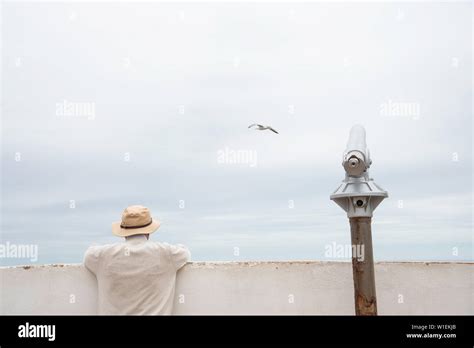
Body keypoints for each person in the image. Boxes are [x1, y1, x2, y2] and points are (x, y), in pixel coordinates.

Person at [84, 205, 190, 315]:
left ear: (123, 232)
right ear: (149, 231)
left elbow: (89, 255)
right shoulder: (166, 253)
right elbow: (184, 253)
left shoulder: (103, 255)